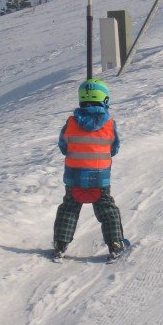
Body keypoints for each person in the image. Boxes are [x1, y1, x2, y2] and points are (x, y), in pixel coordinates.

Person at [53, 78, 124, 261]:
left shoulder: (71, 122)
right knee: (107, 210)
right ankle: (115, 244)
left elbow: (63, 145)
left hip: (74, 177)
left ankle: (60, 244)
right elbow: (114, 147)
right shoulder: (109, 123)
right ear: (105, 100)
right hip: (100, 178)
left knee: (69, 208)